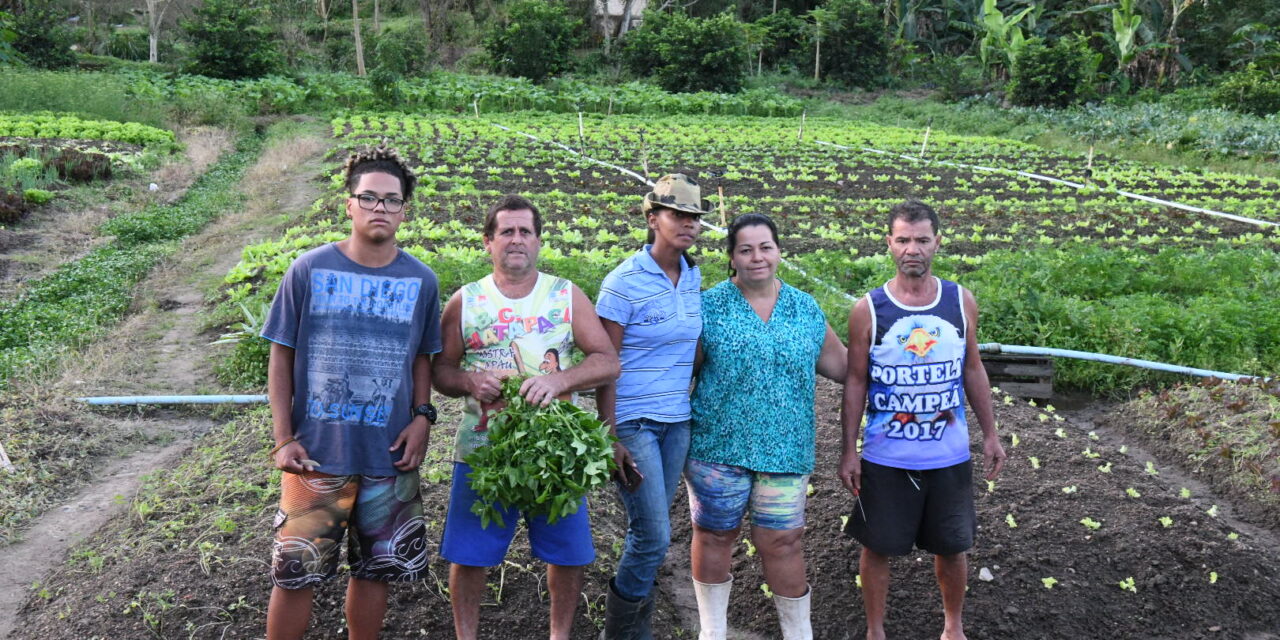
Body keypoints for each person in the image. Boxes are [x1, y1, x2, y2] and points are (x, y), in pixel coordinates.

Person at [261, 144, 441, 640]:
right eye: (369, 198)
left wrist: (422, 417)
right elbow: (282, 355)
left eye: (391, 199)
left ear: (405, 209)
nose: (379, 208)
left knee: (375, 572)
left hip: (387, 455)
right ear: (349, 204)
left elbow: (423, 356)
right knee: (295, 574)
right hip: (316, 457)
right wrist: (283, 438)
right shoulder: (309, 270)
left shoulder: (422, 280)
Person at [432, 194, 620, 640]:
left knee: (568, 554)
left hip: (555, 452)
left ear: (538, 241)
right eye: (506, 232)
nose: (516, 240)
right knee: (470, 555)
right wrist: (470, 383)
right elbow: (441, 370)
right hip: (484, 452)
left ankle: (559, 636)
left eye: (525, 232)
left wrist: (560, 382)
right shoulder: (466, 300)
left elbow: (607, 360)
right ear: (488, 241)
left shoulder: (564, 294)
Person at [838, 200, 1007, 640]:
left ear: (937, 242)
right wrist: (848, 451)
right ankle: (876, 631)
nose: (912, 248)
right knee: (877, 547)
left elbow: (973, 369)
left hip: (947, 455)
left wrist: (990, 433)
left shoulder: (959, 300)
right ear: (889, 243)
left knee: (952, 547)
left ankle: (953, 628)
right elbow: (856, 382)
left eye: (922, 239)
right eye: (903, 239)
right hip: (887, 456)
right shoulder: (868, 310)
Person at [687, 213, 847, 640]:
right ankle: (712, 631)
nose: (757, 257)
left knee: (783, 541)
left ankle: (798, 633)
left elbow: (843, 366)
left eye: (765, 247)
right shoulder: (709, 306)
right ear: (732, 258)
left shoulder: (805, 308)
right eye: (745, 249)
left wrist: (905, 363)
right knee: (715, 534)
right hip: (717, 446)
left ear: (779, 252)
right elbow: (686, 372)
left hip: (786, 448)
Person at [595, 174, 708, 639]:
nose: (687, 224)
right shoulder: (622, 283)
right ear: (652, 218)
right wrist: (610, 435)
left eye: (694, 217)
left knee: (649, 536)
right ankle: (619, 634)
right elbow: (605, 363)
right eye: (677, 214)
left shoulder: (694, 274)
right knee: (654, 536)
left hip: (676, 423)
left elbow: (695, 348)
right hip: (634, 422)